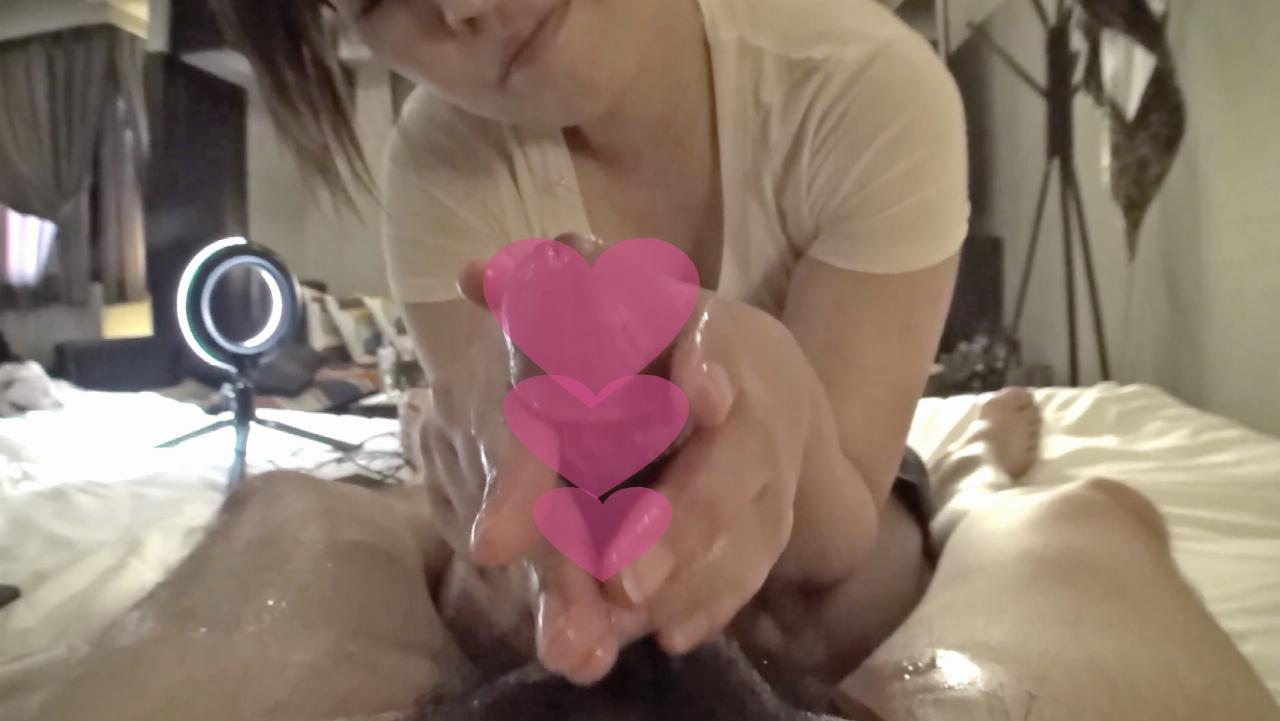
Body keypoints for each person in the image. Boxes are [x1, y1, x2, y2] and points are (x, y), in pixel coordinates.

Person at [33, 0, 1280, 717]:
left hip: (835, 496)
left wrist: (770, 402)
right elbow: (503, 499)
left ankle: (979, 462)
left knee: (1072, 523)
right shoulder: (440, 159)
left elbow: (834, 543)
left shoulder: (861, 85)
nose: (455, 2)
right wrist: (498, 494)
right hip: (574, 517)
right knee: (291, 513)